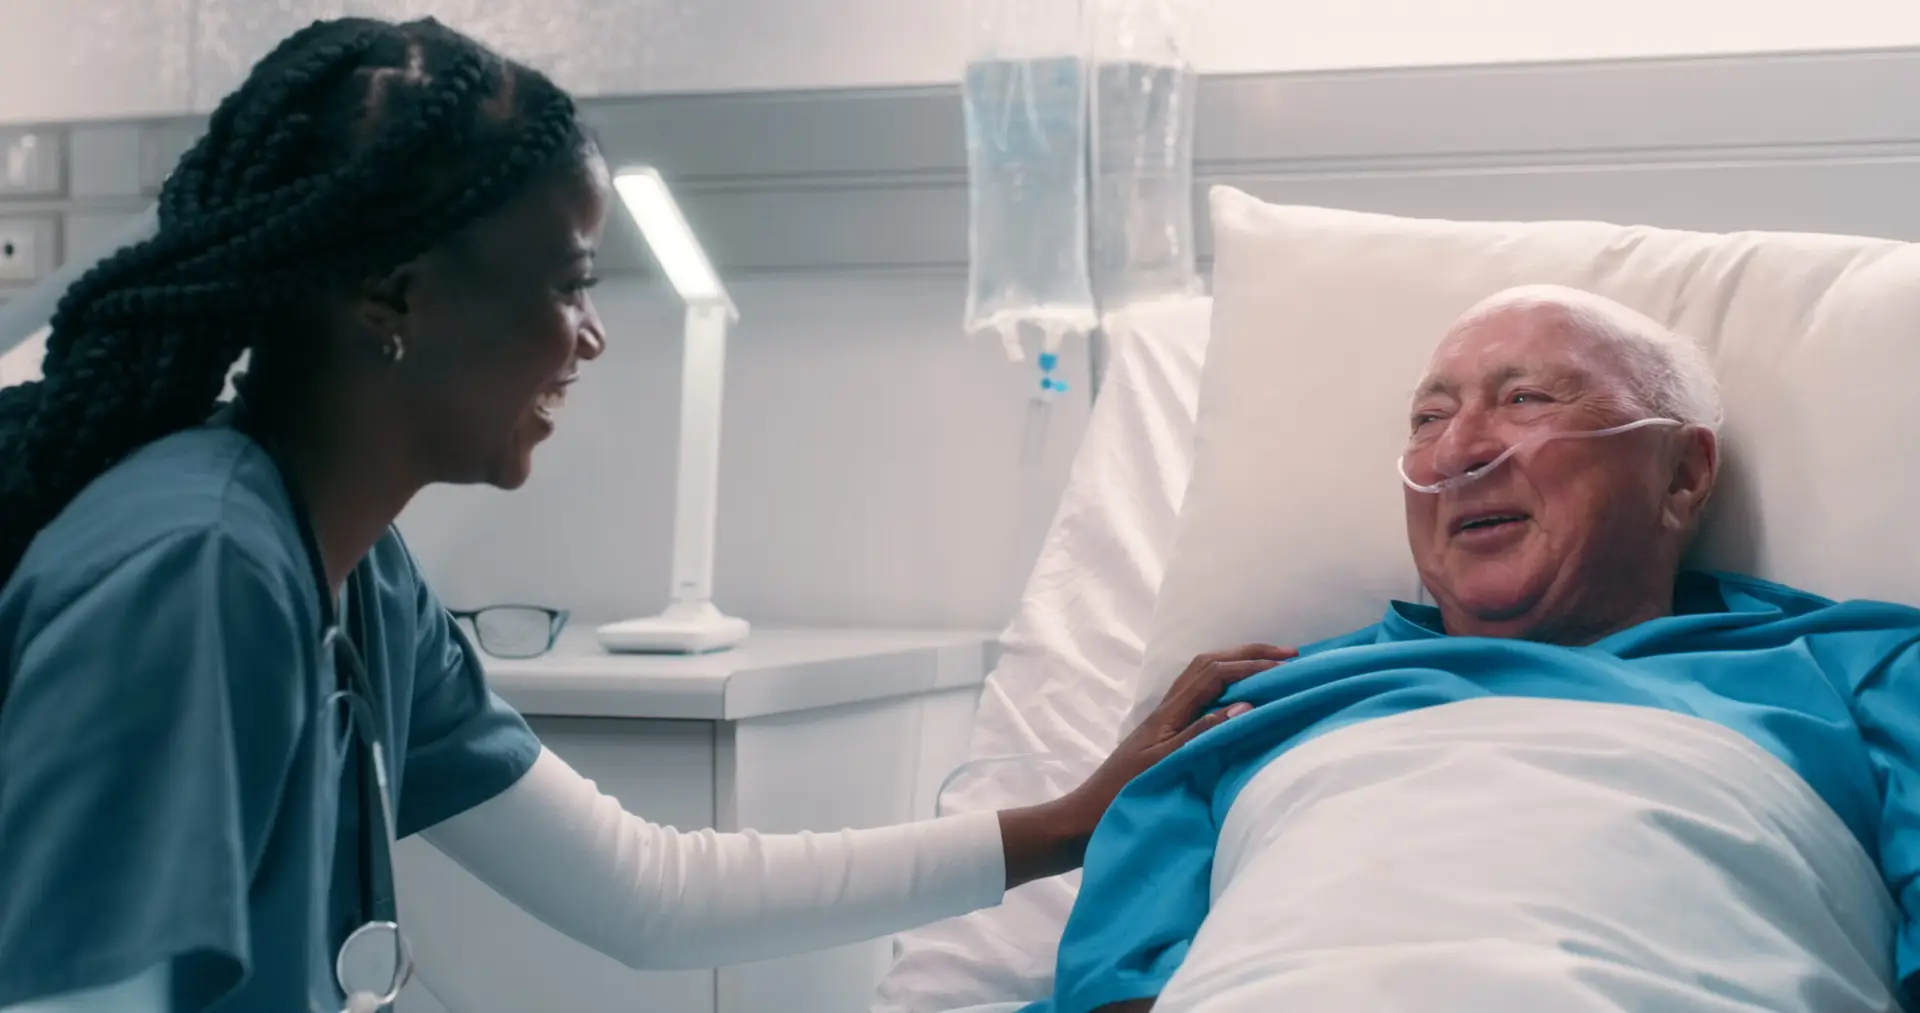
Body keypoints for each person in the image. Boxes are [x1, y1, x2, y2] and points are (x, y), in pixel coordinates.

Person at [0, 19, 1274, 1013]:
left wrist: (1066, 823)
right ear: (393, 296)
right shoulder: (193, 572)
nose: (592, 336)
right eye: (571, 284)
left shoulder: (351, 576)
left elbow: (646, 890)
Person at [1026, 285, 1920, 1013]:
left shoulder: (1859, 669)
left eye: (1527, 398)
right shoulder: (1251, 708)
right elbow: (1116, 992)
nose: (1458, 451)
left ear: (1682, 475)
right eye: (1428, 417)